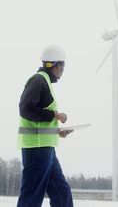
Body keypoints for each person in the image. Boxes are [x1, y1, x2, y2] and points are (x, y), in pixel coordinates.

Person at [17, 45, 74, 207]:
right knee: (32, 195)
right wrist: (55, 115)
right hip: (36, 148)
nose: (62, 70)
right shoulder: (38, 80)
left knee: (62, 192)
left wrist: (58, 132)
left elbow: (38, 119)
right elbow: (25, 108)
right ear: (57, 65)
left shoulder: (44, 82)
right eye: (62, 66)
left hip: (46, 147)